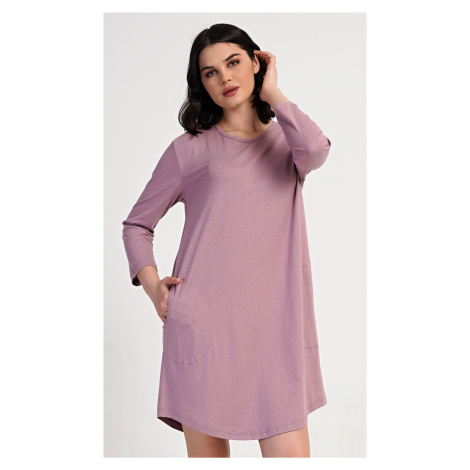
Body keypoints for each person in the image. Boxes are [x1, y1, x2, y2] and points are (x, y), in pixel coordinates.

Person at [122, 23, 332, 458]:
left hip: (277, 334)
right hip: (204, 328)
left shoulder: (289, 144)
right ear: (201, 84)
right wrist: (154, 286)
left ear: (256, 62)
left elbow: (316, 149)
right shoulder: (189, 150)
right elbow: (137, 225)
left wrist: (274, 92)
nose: (225, 78)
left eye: (233, 62)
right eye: (210, 72)